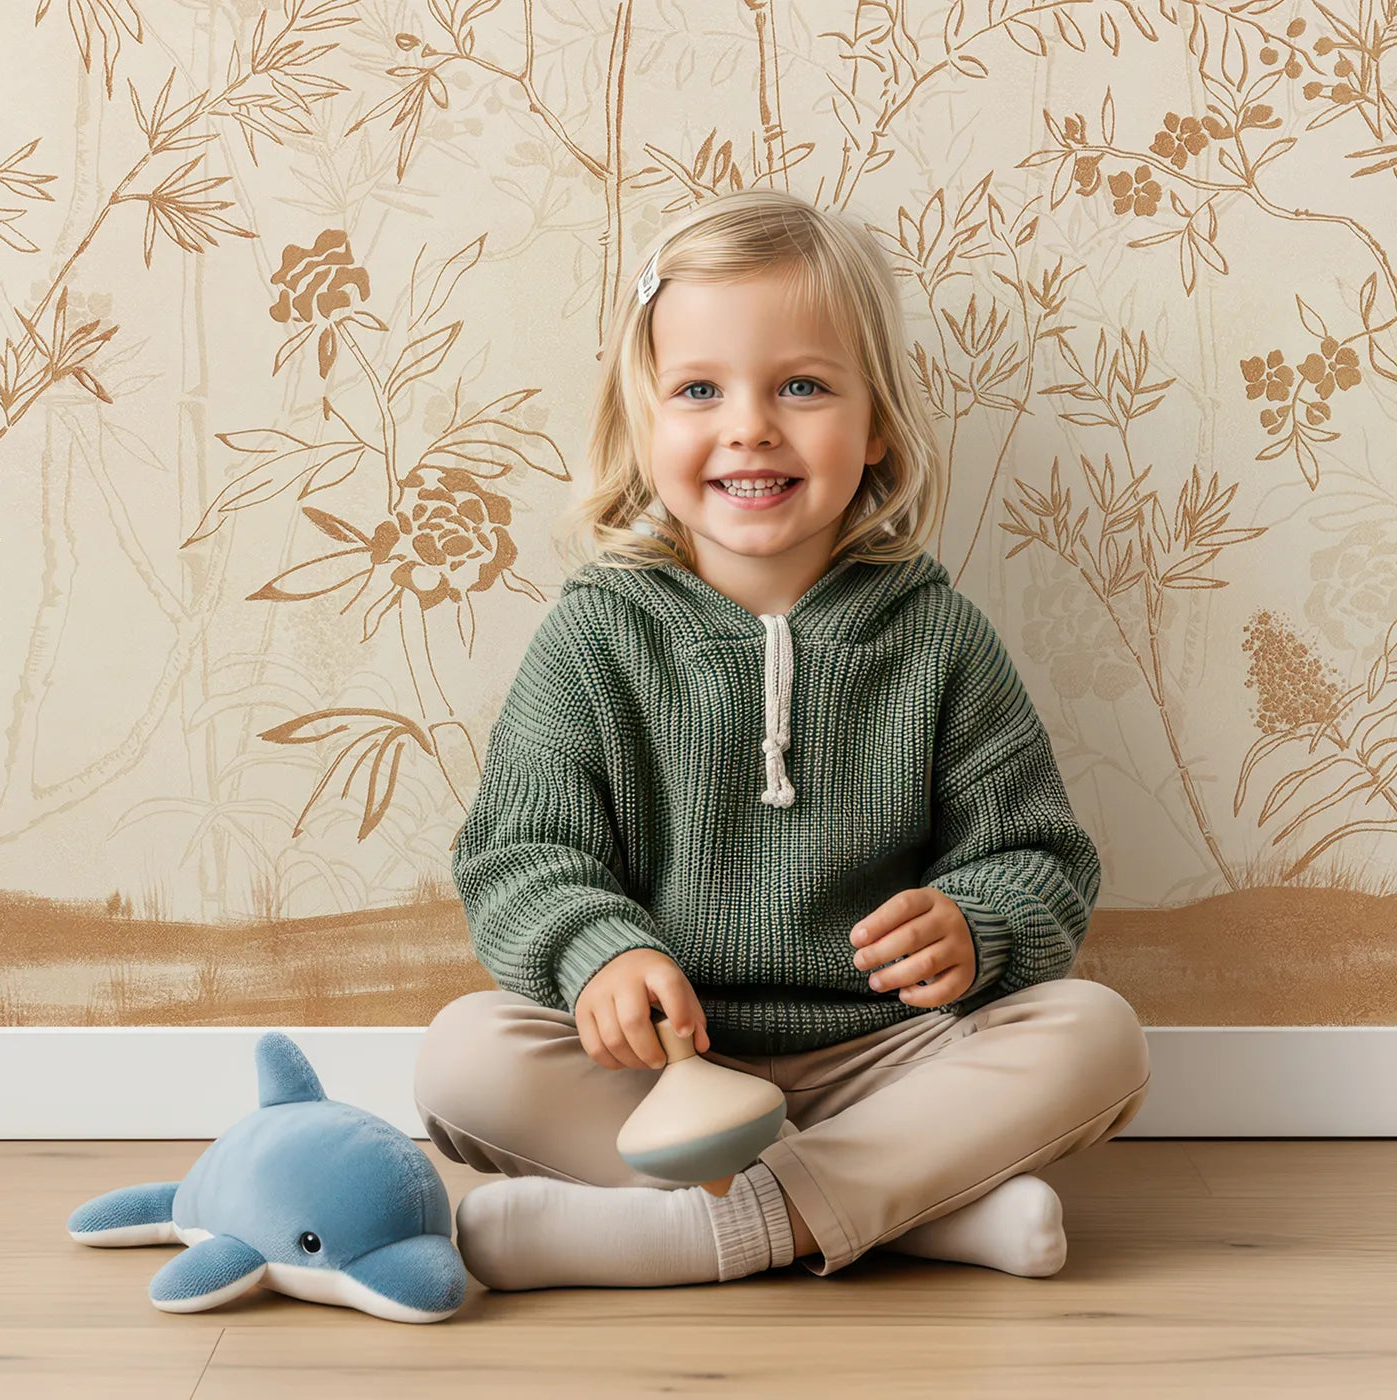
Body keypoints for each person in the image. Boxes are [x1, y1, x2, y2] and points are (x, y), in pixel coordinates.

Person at [413, 188, 1150, 1292]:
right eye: (699, 389)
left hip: (887, 1060)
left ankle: (708, 1226)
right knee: (464, 1054)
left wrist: (977, 923)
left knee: (1096, 1032)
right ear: (642, 425)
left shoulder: (935, 635)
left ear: (876, 428)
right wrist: (596, 950)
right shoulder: (597, 632)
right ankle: (904, 1209)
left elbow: (1039, 856)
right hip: (663, 1068)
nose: (749, 425)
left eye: (800, 386)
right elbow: (520, 852)